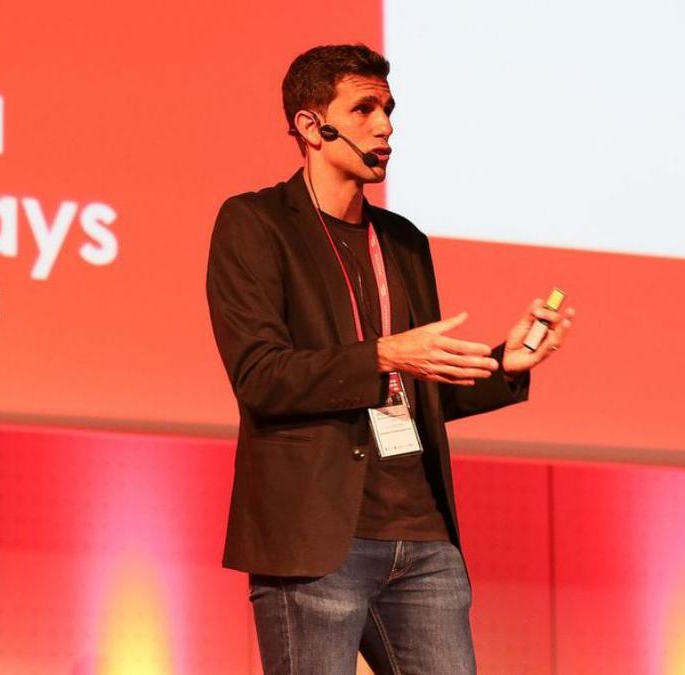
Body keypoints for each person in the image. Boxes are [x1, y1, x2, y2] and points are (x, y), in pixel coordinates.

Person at [205, 43, 574, 675]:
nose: (386, 126)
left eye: (389, 108)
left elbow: (416, 388)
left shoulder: (403, 242)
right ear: (310, 125)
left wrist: (505, 364)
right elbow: (261, 377)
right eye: (365, 108)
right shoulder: (255, 224)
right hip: (315, 540)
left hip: (422, 538)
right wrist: (382, 353)